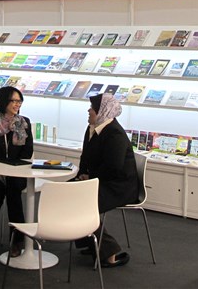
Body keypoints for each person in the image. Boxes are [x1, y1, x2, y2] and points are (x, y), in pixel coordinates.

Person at [75, 93, 139, 268]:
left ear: (102, 110)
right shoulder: (93, 128)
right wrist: (82, 174)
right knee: (67, 192)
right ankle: (91, 242)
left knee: (82, 202)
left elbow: (113, 167)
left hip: (119, 186)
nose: (89, 110)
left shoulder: (114, 133)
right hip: (101, 180)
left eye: (93, 108)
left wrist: (90, 177)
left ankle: (109, 251)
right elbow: (85, 157)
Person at [0, 86, 33, 257]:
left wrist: (12, 169)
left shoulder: (24, 123)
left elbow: (27, 152)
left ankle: (17, 241)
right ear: (3, 101)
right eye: (14, 101)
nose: (17, 104)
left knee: (14, 194)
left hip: (17, 172)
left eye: (19, 101)